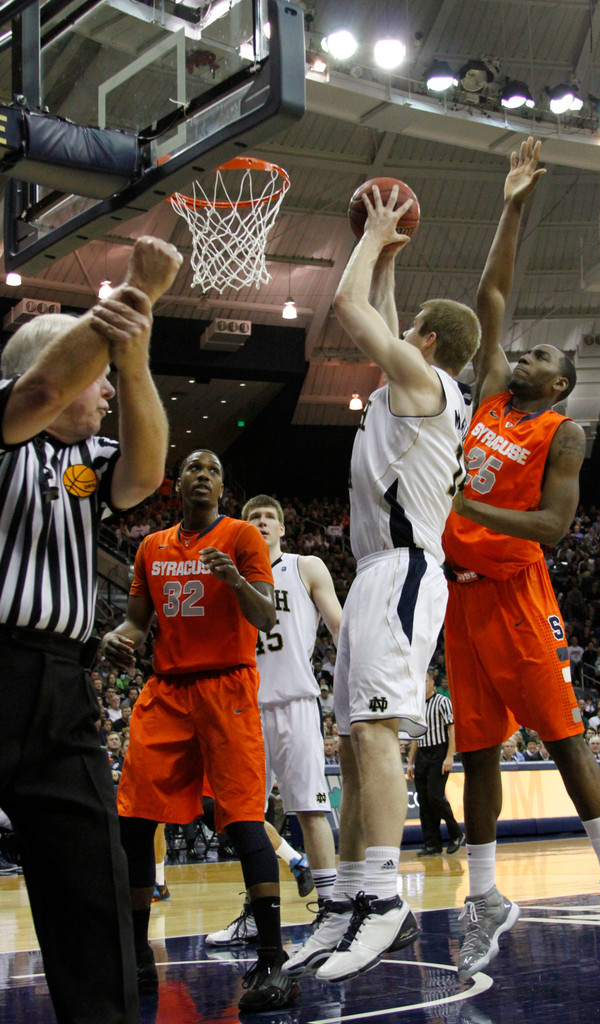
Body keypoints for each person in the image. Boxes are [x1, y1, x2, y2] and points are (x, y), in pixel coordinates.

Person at [442, 138, 600, 982]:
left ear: (557, 384)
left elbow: (553, 529)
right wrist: (512, 202)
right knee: (476, 754)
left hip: (518, 592)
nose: (520, 356)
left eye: (536, 358)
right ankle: (484, 897)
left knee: (563, 741)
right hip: (459, 599)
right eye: (519, 353)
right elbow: (491, 293)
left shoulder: (559, 432)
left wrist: (461, 501)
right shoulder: (489, 393)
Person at [285, 181, 479, 984]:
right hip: (377, 574)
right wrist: (394, 253)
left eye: (411, 330)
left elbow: (347, 307)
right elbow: (384, 311)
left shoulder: (419, 381)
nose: (399, 332)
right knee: (352, 737)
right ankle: (347, 902)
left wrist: (375, 231)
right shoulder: (424, 382)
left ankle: (382, 898)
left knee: (374, 733)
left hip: (400, 573)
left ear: (424, 342)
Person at [0, 235, 182, 1024]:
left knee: (89, 877)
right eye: (100, 382)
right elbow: (42, 390)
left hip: (63, 685)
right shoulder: (11, 415)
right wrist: (133, 293)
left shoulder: (75, 467)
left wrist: (135, 360)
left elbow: (141, 476)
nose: (104, 396)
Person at [101, 450, 298, 1014]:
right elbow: (137, 622)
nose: (203, 476)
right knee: (134, 821)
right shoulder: (150, 546)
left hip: (227, 688)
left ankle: (272, 962)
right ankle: (137, 956)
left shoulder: (242, 537)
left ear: (221, 487)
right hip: (167, 690)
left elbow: (264, 616)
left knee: (242, 822)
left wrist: (235, 579)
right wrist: (121, 638)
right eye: (193, 468)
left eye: (213, 470)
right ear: (177, 484)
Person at [205, 493, 342, 948]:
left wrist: (355, 685)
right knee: (244, 817)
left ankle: (331, 911)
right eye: (252, 518)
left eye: (269, 518)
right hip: (242, 706)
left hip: (295, 703)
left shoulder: (306, 566)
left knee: (310, 808)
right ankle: (258, 913)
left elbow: (339, 627)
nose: (261, 522)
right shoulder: (230, 576)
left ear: (283, 528)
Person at [406, 669, 465, 856]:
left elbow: (452, 729)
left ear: (432, 683)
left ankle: (456, 833)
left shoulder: (442, 702)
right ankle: (432, 844)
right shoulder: (417, 706)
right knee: (424, 800)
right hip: (422, 754)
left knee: (435, 797)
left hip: (439, 752)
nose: (421, 685)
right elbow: (415, 736)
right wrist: (410, 762)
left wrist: (450, 755)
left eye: (424, 681)